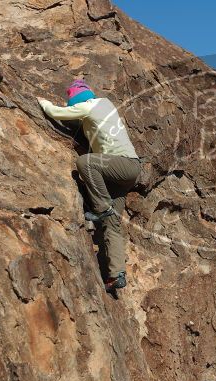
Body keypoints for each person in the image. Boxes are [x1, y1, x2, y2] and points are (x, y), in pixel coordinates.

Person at [37, 79, 142, 292]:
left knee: (86, 162)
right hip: (127, 172)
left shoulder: (87, 107)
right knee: (112, 223)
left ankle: (102, 208)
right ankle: (117, 274)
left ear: (77, 99)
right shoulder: (105, 104)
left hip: (120, 165)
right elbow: (88, 122)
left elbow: (56, 113)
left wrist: (43, 102)